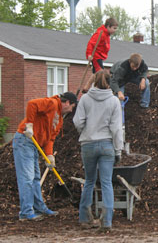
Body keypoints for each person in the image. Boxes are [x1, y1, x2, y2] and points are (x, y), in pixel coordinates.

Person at [13, 92, 77, 221]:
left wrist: (49, 156)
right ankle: (26, 212)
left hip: (34, 145)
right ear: (67, 103)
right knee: (27, 178)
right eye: (72, 107)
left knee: (36, 178)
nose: (71, 110)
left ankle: (39, 207)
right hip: (24, 140)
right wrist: (29, 124)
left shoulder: (59, 120)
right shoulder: (52, 103)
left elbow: (50, 139)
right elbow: (32, 104)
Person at [73, 70, 123, 231]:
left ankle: (84, 218)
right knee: (107, 182)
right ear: (109, 82)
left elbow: (77, 121)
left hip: (88, 144)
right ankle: (106, 222)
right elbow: (116, 129)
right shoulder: (114, 101)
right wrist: (118, 150)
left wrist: (85, 131)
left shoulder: (85, 99)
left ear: (94, 81)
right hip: (107, 145)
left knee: (89, 181)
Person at [83, 18, 118, 92]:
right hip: (96, 56)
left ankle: (87, 87)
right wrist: (89, 54)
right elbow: (91, 43)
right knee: (100, 73)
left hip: (100, 56)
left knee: (96, 73)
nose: (115, 30)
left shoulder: (107, 35)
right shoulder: (100, 33)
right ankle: (96, 89)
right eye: (114, 28)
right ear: (108, 26)